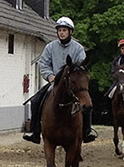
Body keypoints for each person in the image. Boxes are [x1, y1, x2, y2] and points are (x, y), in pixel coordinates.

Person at [22, 16, 96, 144]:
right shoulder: (50, 47)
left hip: (72, 85)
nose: (61, 33)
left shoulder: (78, 48)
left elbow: (81, 67)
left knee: (87, 103)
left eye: (64, 30)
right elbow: (43, 64)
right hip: (55, 83)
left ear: (70, 32)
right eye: (60, 30)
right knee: (35, 101)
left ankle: (86, 132)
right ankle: (35, 132)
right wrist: (50, 76)